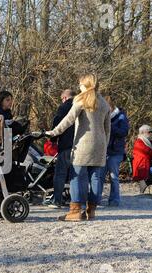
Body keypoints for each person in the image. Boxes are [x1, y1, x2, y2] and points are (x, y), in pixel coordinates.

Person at [46, 74, 111, 221]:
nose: (79, 87)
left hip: (83, 144)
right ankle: (91, 210)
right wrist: (105, 145)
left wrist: (53, 133)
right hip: (100, 145)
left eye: (81, 84)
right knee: (96, 178)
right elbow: (108, 130)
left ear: (86, 85)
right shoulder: (104, 103)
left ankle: (75, 211)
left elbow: (68, 120)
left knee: (77, 177)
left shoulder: (81, 100)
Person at [44, 89, 76, 208]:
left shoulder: (64, 107)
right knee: (76, 174)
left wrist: (52, 139)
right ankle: (76, 201)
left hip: (66, 144)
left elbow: (57, 123)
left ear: (64, 98)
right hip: (80, 146)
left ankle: (57, 200)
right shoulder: (83, 106)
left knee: (60, 173)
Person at [100, 95, 130, 206]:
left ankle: (114, 200)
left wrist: (110, 126)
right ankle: (96, 200)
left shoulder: (121, 117)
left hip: (115, 151)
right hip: (103, 150)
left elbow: (124, 132)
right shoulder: (102, 116)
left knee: (114, 177)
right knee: (99, 177)